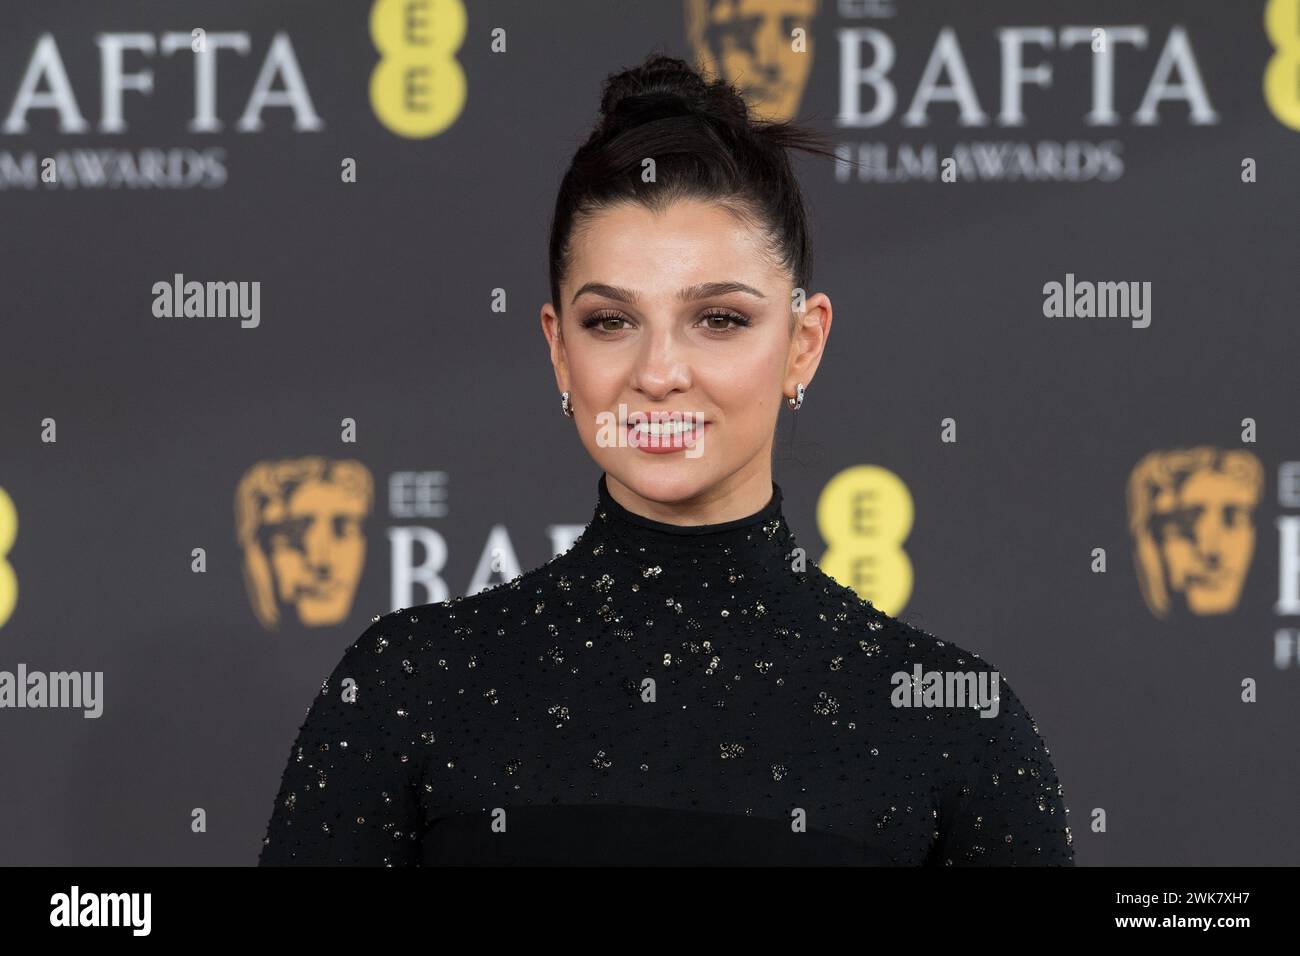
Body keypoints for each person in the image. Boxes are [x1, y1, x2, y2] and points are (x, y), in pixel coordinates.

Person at [257, 52, 1073, 866]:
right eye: (611, 321)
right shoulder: (410, 687)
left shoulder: (952, 723)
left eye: (718, 319)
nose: (657, 373)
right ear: (558, 351)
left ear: (803, 344)